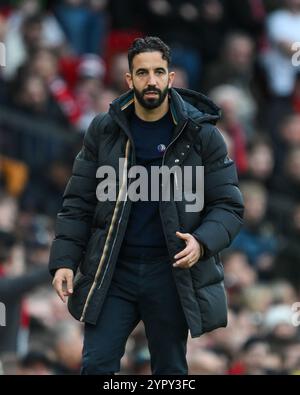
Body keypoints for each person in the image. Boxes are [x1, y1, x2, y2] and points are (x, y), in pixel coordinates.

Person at [49, 36, 244, 375]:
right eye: (142, 73)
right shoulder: (104, 130)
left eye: (158, 72)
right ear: (129, 79)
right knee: (95, 364)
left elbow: (228, 205)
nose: (151, 81)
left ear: (171, 78)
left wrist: (202, 242)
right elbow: (78, 201)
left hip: (170, 272)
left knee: (169, 370)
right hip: (113, 270)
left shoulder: (202, 135)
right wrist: (64, 260)